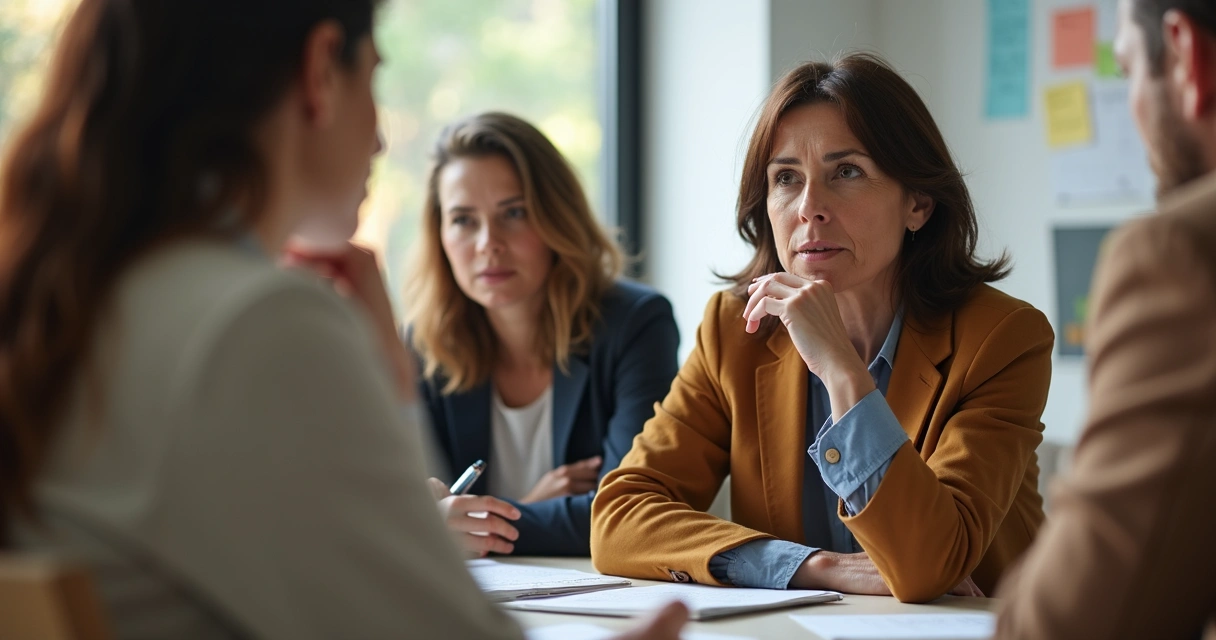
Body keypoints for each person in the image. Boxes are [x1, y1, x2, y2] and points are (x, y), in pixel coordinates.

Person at [0, 1, 685, 638]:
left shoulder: (85, 293)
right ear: (322, 70)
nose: (383, 139)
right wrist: (392, 395)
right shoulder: (256, 323)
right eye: (376, 79)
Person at [591, 53, 1055, 603]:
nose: (810, 208)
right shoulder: (734, 329)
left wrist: (840, 369)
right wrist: (816, 567)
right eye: (786, 178)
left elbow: (929, 565)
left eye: (847, 172)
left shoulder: (1002, 339)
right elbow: (619, 518)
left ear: (919, 203)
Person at [995, 1, 1216, 637]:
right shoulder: (736, 328)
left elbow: (1066, 624)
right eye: (785, 177)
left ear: (1184, 56)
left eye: (1125, 72)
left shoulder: (1181, 254)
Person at [400, 112, 680, 557]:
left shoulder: (636, 324)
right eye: (463, 220)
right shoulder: (424, 344)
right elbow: (403, 514)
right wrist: (531, 507)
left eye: (514, 213)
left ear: (556, 218)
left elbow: (627, 514)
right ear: (440, 235)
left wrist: (471, 521)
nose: (488, 242)